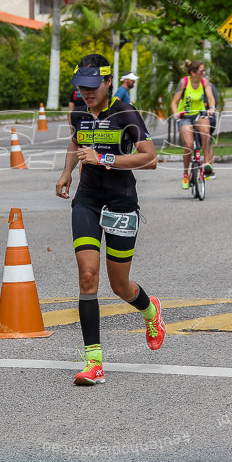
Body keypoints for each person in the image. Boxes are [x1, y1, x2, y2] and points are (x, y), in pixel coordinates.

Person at [56, 54, 163, 386]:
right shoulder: (80, 114)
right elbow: (76, 142)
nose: (86, 93)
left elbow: (151, 158)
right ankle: (94, 362)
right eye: (81, 88)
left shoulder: (125, 113)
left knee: (120, 286)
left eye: (92, 87)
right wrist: (66, 173)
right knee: (88, 277)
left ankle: (150, 310)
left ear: (106, 82)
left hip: (120, 202)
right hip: (87, 200)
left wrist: (105, 158)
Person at [170, 60, 215, 189]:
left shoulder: (204, 81)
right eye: (201, 71)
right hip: (185, 115)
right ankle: (185, 174)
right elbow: (174, 102)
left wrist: (212, 107)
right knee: (189, 144)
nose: (204, 73)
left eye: (204, 70)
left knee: (206, 133)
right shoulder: (184, 82)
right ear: (193, 73)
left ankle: (206, 164)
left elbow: (210, 97)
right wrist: (175, 113)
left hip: (199, 114)